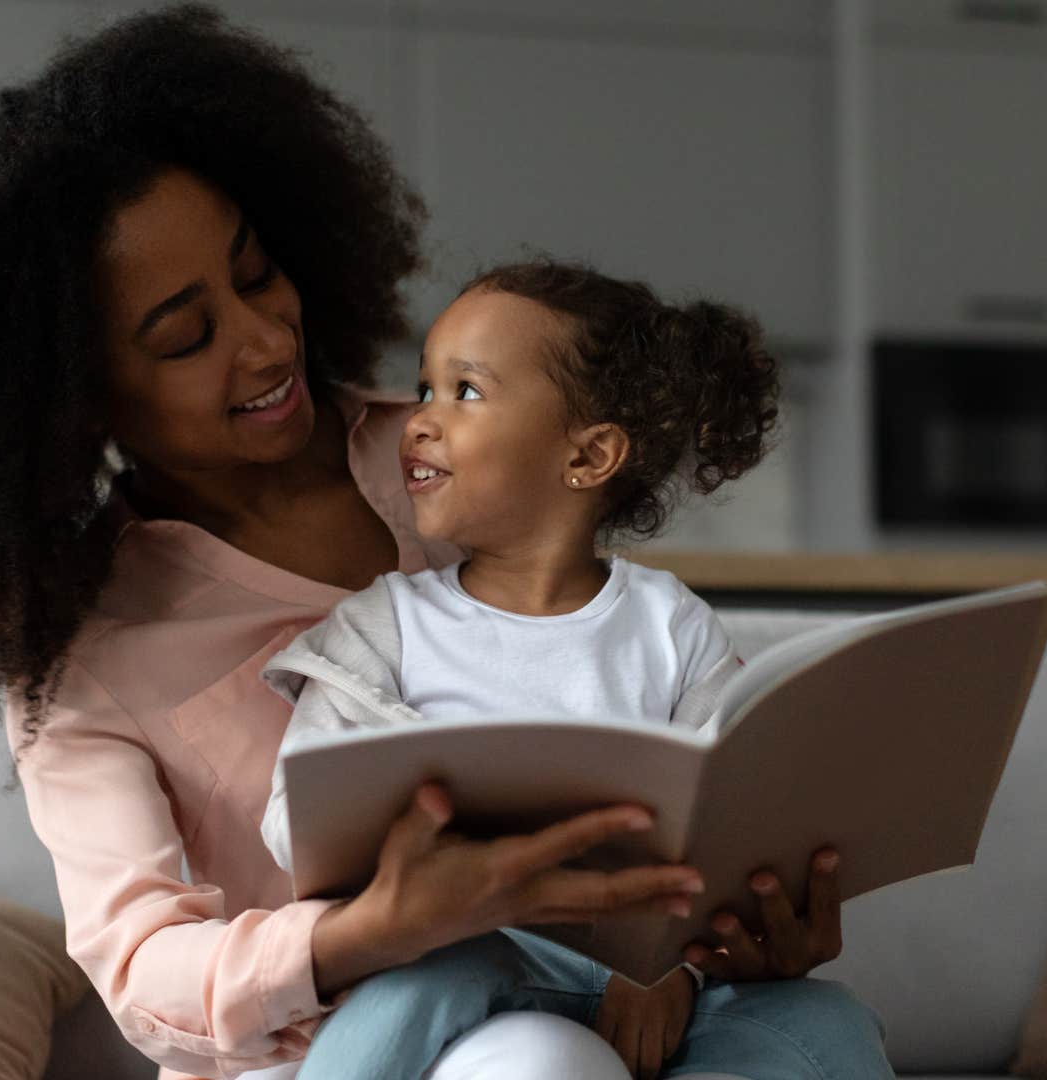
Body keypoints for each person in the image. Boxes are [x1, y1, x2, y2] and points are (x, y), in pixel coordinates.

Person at [0, 6, 886, 1079]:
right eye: (185, 336)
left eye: (257, 271)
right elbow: (142, 970)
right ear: (75, 403)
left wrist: (726, 931)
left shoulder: (464, 452)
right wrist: (364, 934)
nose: (266, 339)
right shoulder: (86, 655)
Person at [258, 260, 893, 1080]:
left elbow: (729, 821)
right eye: (424, 388)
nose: (419, 420)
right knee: (412, 992)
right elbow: (293, 823)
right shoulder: (384, 624)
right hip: (470, 959)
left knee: (826, 1022)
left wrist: (675, 963)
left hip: (651, 983)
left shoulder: (671, 625)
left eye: (467, 392)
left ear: (589, 456)